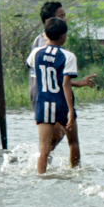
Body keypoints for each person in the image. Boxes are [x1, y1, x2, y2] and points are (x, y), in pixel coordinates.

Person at [28, 17, 80, 174]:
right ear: (63, 36)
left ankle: (41, 176)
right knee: (73, 143)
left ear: (45, 34)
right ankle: (76, 172)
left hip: (43, 104)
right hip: (61, 104)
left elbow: (41, 75)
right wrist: (70, 110)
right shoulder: (68, 56)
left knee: (43, 148)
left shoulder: (36, 53)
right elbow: (64, 84)